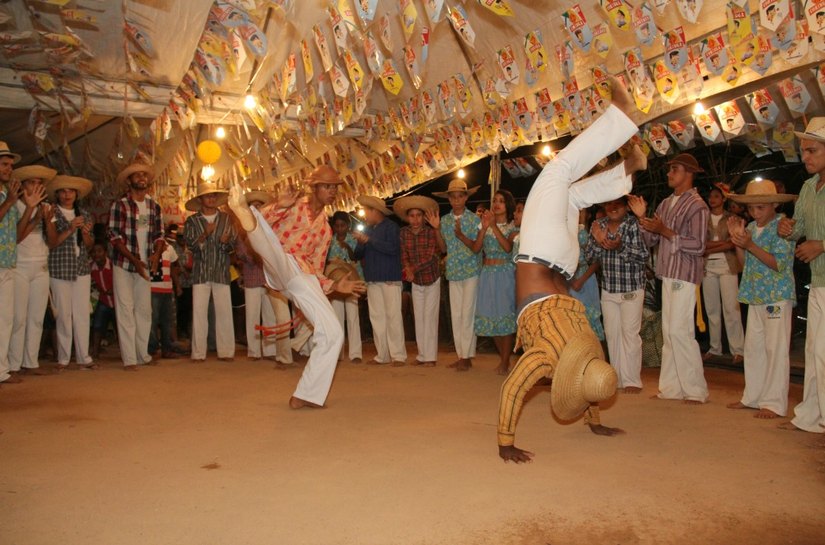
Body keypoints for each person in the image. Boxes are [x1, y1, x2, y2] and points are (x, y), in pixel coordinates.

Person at [498, 76, 646, 462]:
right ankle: (622, 143)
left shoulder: (581, 342)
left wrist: (506, 443)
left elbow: (585, 371)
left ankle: (627, 163)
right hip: (544, 257)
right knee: (558, 174)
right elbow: (522, 385)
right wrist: (505, 441)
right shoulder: (553, 355)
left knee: (568, 186)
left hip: (563, 261)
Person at [227, 165, 366, 409]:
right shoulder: (291, 204)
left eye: (334, 187)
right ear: (313, 187)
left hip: (303, 277)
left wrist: (334, 285)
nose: (332, 191)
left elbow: (316, 266)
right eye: (326, 186)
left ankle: (306, 394)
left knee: (333, 332)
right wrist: (279, 205)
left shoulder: (325, 228)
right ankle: (244, 213)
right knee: (271, 247)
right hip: (280, 263)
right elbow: (267, 223)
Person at [628, 153, 710, 404]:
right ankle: (672, 388)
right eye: (670, 169)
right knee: (670, 332)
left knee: (680, 331)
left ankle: (696, 389)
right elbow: (651, 240)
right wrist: (643, 219)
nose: (669, 173)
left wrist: (663, 229)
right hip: (668, 273)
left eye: (674, 169)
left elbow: (698, 245)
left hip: (685, 274)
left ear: (689, 172)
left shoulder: (698, 205)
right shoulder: (665, 204)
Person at [726, 180, 796, 419]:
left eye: (761, 208)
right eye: (752, 208)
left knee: (775, 349)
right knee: (754, 348)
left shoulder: (783, 227)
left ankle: (774, 403)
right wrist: (739, 242)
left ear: (774, 204)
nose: (755, 213)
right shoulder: (753, 229)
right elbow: (745, 265)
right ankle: (753, 397)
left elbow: (779, 264)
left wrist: (749, 244)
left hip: (777, 295)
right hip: (756, 294)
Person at [776, 118, 825, 432]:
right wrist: (789, 230)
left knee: (822, 351)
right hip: (819, 280)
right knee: (814, 350)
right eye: (803, 151)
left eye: (812, 150)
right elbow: (802, 229)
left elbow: (817, 240)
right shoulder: (808, 187)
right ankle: (812, 414)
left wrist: (822, 245)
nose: (805, 157)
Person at [585, 196, 649, 393]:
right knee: (612, 335)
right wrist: (598, 241)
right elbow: (589, 257)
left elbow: (643, 255)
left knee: (630, 334)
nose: (612, 208)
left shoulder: (633, 224)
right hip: (609, 288)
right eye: (608, 204)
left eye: (617, 204)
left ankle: (632, 381)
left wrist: (620, 247)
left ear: (625, 206)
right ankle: (616, 379)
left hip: (632, 287)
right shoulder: (598, 224)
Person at [108, 163, 164, 370]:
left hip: (146, 265)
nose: (141, 178)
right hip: (124, 264)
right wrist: (134, 260)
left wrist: (156, 255)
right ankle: (130, 358)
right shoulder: (120, 205)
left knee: (144, 310)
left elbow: (160, 235)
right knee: (125, 310)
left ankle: (143, 354)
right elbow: (114, 236)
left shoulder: (154, 206)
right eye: (137, 175)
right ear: (129, 181)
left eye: (144, 175)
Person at [44, 175, 95, 370]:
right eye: (63, 191)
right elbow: (51, 242)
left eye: (71, 191)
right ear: (57, 194)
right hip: (59, 269)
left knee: (82, 313)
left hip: (81, 268)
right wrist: (71, 228)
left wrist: (85, 233)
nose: (67, 195)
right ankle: (63, 358)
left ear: (76, 194)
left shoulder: (84, 214)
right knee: (63, 314)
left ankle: (84, 356)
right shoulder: (51, 212)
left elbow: (89, 246)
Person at [183, 182, 237, 362]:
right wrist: (205, 234)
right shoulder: (192, 221)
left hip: (221, 270)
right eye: (208, 196)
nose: (211, 199)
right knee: (199, 313)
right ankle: (198, 353)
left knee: (224, 312)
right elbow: (190, 246)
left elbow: (233, 244)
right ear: (200, 199)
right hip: (201, 272)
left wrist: (225, 241)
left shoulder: (227, 219)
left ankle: (227, 351)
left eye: (214, 196)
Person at [433, 179, 482, 371]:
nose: (456, 200)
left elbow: (477, 248)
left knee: (468, 313)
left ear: (466, 197)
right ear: (449, 199)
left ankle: (466, 356)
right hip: (453, 271)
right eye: (452, 197)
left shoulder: (474, 220)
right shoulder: (444, 221)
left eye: (460, 196)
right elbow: (443, 248)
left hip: (471, 271)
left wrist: (461, 235)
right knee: (457, 314)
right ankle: (462, 354)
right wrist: (436, 229)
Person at [9, 165, 53, 376]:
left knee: (36, 317)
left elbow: (52, 242)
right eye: (31, 183)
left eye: (39, 183)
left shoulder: (46, 207)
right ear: (23, 186)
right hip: (20, 266)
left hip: (41, 266)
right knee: (18, 318)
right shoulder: (15, 205)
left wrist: (44, 218)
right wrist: (32, 213)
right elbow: (17, 237)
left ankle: (31, 361)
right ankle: (14, 364)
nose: (35, 186)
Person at [353, 195, 407, 366]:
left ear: (375, 211)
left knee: (393, 316)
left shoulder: (391, 227)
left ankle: (398, 355)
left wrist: (369, 240)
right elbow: (356, 255)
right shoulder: (368, 230)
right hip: (373, 279)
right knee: (377, 317)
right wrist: (361, 242)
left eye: (366, 212)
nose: (364, 216)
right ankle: (382, 355)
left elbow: (392, 248)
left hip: (390, 277)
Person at [470, 189, 518, 376]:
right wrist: (483, 228)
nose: (497, 204)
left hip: (505, 274)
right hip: (487, 274)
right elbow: (476, 248)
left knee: (504, 318)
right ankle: (504, 360)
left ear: (507, 205)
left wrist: (494, 226)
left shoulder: (513, 227)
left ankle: (505, 362)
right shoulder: (485, 225)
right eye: (495, 200)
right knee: (492, 320)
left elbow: (507, 248)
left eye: (501, 201)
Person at [394, 195, 443, 367]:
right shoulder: (403, 233)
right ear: (407, 217)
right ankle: (422, 355)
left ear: (424, 217)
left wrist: (412, 269)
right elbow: (403, 255)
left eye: (418, 215)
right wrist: (407, 267)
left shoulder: (430, 232)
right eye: (412, 216)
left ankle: (431, 357)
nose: (415, 219)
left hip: (432, 278)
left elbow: (431, 256)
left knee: (430, 317)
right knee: (419, 318)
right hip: (416, 281)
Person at [701, 184, 745, 364]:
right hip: (707, 267)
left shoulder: (731, 218)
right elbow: (701, 244)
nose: (712, 200)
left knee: (731, 309)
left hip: (728, 266)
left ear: (723, 198)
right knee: (712, 310)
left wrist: (714, 246)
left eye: (716, 196)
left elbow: (733, 243)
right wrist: (723, 245)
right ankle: (715, 348)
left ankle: (738, 350)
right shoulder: (702, 218)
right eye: (710, 196)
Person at [236, 191, 278, 361]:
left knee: (270, 315)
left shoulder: (271, 228)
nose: (257, 209)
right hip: (252, 276)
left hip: (269, 279)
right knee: (252, 315)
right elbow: (240, 252)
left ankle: (270, 350)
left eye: (260, 206)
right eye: (254, 206)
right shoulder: (243, 229)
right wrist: (257, 256)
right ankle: (254, 351)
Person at [0, 141, 23, 385]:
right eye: (5, 165)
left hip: (7, 262)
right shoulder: (7, 197)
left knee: (6, 318)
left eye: (10, 166)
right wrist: (10, 202)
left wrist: (32, 211)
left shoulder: (8, 194)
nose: (9, 169)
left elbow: (18, 233)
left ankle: (2, 370)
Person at [327, 211, 363, 363]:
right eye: (337, 226)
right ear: (333, 226)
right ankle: (338, 353)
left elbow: (358, 257)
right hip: (336, 282)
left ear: (348, 226)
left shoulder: (354, 239)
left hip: (353, 280)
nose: (340, 229)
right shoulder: (329, 241)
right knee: (337, 317)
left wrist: (347, 246)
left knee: (353, 316)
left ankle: (355, 353)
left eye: (343, 225)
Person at [148, 225, 181, 359]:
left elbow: (175, 265)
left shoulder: (170, 248)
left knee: (167, 321)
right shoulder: (148, 246)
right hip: (152, 289)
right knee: (153, 320)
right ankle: (153, 349)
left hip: (167, 289)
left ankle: (166, 349)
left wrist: (177, 285)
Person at [89, 241, 115, 360]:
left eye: (99, 251)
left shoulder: (113, 265)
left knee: (119, 326)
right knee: (97, 325)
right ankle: (95, 351)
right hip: (103, 300)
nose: (96, 254)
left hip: (116, 301)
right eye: (93, 252)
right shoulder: (90, 267)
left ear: (105, 252)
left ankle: (127, 351)